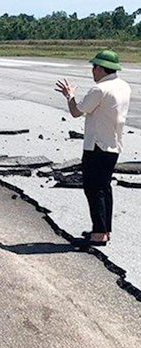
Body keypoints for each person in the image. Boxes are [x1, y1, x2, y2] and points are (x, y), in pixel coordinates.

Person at [55, 50, 131, 246]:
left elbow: (75, 111)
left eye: (94, 67)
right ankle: (104, 230)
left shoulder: (99, 89)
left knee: (93, 189)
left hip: (96, 146)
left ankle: (98, 234)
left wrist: (69, 95)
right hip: (113, 144)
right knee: (104, 188)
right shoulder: (124, 86)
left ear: (100, 68)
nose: (92, 71)